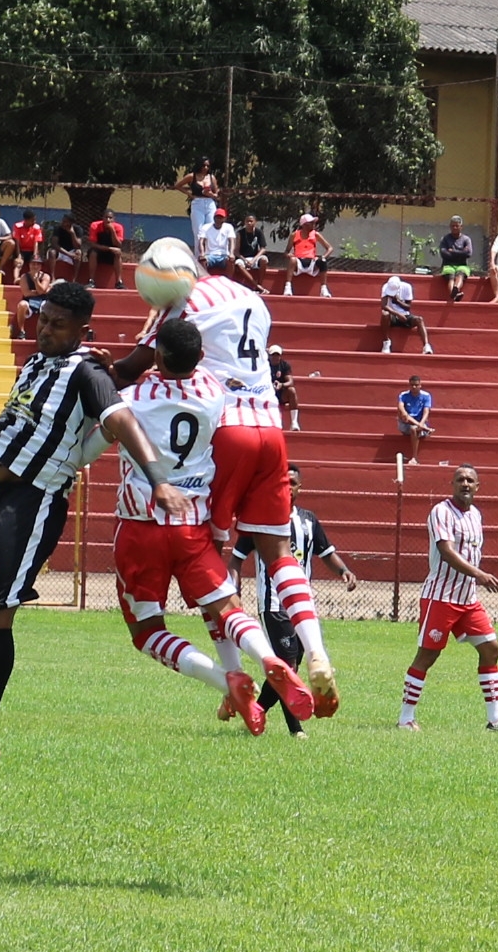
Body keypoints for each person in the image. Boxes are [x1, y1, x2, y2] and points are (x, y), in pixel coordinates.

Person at [0, 282, 190, 784]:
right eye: (43, 319)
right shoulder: (37, 363)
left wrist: (159, 480)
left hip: (32, 503)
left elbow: (121, 419)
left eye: (57, 324)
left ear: (82, 331)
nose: (44, 329)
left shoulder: (86, 371)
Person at [113, 258, 342, 715]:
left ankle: (233, 679)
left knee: (213, 567)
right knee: (279, 554)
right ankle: (316, 651)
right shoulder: (253, 299)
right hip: (270, 428)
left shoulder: (182, 303)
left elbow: (134, 367)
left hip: (227, 431)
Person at [229, 465, 358, 737]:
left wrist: (344, 571)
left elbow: (326, 552)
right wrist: (233, 589)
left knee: (289, 666)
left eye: (293, 483)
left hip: (301, 607)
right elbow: (236, 559)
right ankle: (295, 729)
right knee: (289, 667)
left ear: (300, 488)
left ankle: (255, 710)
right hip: (273, 603)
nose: (288, 488)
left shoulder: (308, 521)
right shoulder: (260, 520)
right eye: (284, 482)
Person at [398, 464, 498, 732]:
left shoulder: (476, 515)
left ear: (477, 486)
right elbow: (445, 551)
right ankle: (405, 718)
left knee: (491, 649)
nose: (465, 484)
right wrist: (480, 575)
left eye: (470, 480)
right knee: (427, 656)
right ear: (452, 484)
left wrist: (476, 579)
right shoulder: (441, 511)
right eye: (460, 480)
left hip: (468, 599)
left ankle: (496, 718)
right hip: (441, 597)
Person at [377, 274, 432, 355]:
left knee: (419, 319)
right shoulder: (385, 287)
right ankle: (386, 342)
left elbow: (408, 307)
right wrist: (397, 314)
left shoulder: (407, 287)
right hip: (392, 315)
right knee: (385, 314)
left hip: (405, 315)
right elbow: (384, 306)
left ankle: (426, 346)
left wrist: (398, 301)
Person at [285, 214, 332, 297]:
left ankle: (323, 289)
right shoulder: (294, 235)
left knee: (323, 261)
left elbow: (330, 248)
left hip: (312, 263)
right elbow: (286, 251)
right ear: (305, 225)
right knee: (292, 260)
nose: (314, 225)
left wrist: (323, 257)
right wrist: (289, 255)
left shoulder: (316, 234)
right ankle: (288, 287)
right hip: (298, 262)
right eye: (311, 223)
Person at [178, 156, 219, 236]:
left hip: (210, 203)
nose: (205, 168)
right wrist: (190, 194)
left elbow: (216, 194)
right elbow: (178, 186)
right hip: (197, 203)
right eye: (203, 165)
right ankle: (198, 244)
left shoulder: (211, 177)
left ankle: (209, 244)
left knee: (211, 229)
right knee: (198, 230)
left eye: (207, 166)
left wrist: (210, 194)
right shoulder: (192, 176)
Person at [438, 216, 476, 302]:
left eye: (457, 226)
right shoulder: (445, 239)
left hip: (462, 265)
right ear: (450, 227)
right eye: (453, 226)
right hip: (448, 265)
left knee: (460, 274)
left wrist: (453, 251)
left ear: (461, 227)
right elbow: (443, 253)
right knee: (451, 276)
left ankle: (455, 289)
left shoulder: (466, 239)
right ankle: (454, 294)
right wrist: (461, 252)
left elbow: (468, 253)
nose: (455, 228)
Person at [14, 258, 53, 340]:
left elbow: (41, 290)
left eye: (38, 264)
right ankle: (22, 331)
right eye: (33, 264)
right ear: (29, 265)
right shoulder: (24, 277)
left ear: (41, 266)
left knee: (51, 307)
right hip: (29, 301)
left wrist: (36, 281)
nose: (35, 266)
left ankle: (46, 333)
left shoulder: (46, 276)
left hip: (43, 301)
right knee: (22, 305)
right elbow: (26, 293)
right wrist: (41, 291)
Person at [397, 374, 433, 460]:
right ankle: (425, 429)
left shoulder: (426, 395)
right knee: (403, 414)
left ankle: (414, 457)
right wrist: (421, 426)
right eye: (412, 385)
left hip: (420, 423)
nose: (414, 387)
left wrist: (421, 424)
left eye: (416, 385)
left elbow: (426, 412)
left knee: (414, 429)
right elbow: (402, 410)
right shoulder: (403, 395)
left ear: (420, 385)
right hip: (406, 423)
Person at [233, 213, 270, 291]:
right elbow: (236, 251)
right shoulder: (240, 233)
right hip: (243, 258)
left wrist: (254, 260)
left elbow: (263, 248)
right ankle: (256, 285)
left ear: (255, 222)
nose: (249, 223)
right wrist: (244, 260)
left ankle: (260, 283)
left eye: (251, 221)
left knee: (264, 260)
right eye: (247, 221)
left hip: (254, 258)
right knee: (238, 264)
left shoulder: (258, 232)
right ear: (244, 222)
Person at [89, 209, 126, 288]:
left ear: (114, 219)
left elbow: (118, 245)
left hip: (111, 254)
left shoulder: (119, 227)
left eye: (110, 218)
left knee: (118, 253)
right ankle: (91, 281)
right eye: (106, 217)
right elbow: (93, 244)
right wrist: (109, 249)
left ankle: (119, 282)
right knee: (93, 253)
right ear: (102, 218)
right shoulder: (95, 225)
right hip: (99, 251)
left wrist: (112, 230)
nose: (108, 220)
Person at [268, 344, 300, 431]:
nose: (275, 358)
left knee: (292, 391)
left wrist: (281, 385)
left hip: (280, 393)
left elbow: (290, 381)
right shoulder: (264, 365)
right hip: (266, 392)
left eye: (277, 355)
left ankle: (294, 422)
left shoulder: (284, 365)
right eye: (273, 355)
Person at [198, 207, 236, 275]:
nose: (219, 220)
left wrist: (231, 253)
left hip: (224, 255)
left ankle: (228, 280)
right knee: (202, 260)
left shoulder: (229, 227)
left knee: (231, 261)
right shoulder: (206, 227)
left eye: (221, 218)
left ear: (224, 219)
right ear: (214, 218)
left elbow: (232, 241)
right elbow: (201, 241)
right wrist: (202, 253)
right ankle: (206, 278)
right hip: (210, 255)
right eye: (217, 217)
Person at [47, 211, 84, 280]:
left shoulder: (78, 229)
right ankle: (52, 277)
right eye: (63, 221)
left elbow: (78, 246)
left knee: (79, 252)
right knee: (51, 252)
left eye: (65, 222)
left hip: (72, 251)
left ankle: (74, 279)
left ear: (71, 223)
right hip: (60, 251)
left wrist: (72, 233)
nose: (63, 223)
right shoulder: (58, 228)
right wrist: (68, 254)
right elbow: (54, 244)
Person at [9, 209, 42, 285]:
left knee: (35, 264)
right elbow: (17, 242)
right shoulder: (18, 226)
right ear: (26, 220)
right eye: (32, 220)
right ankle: (16, 279)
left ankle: (35, 280)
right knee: (18, 263)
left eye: (34, 220)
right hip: (21, 250)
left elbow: (36, 242)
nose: (34, 222)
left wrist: (35, 255)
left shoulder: (37, 227)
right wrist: (19, 255)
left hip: (31, 251)